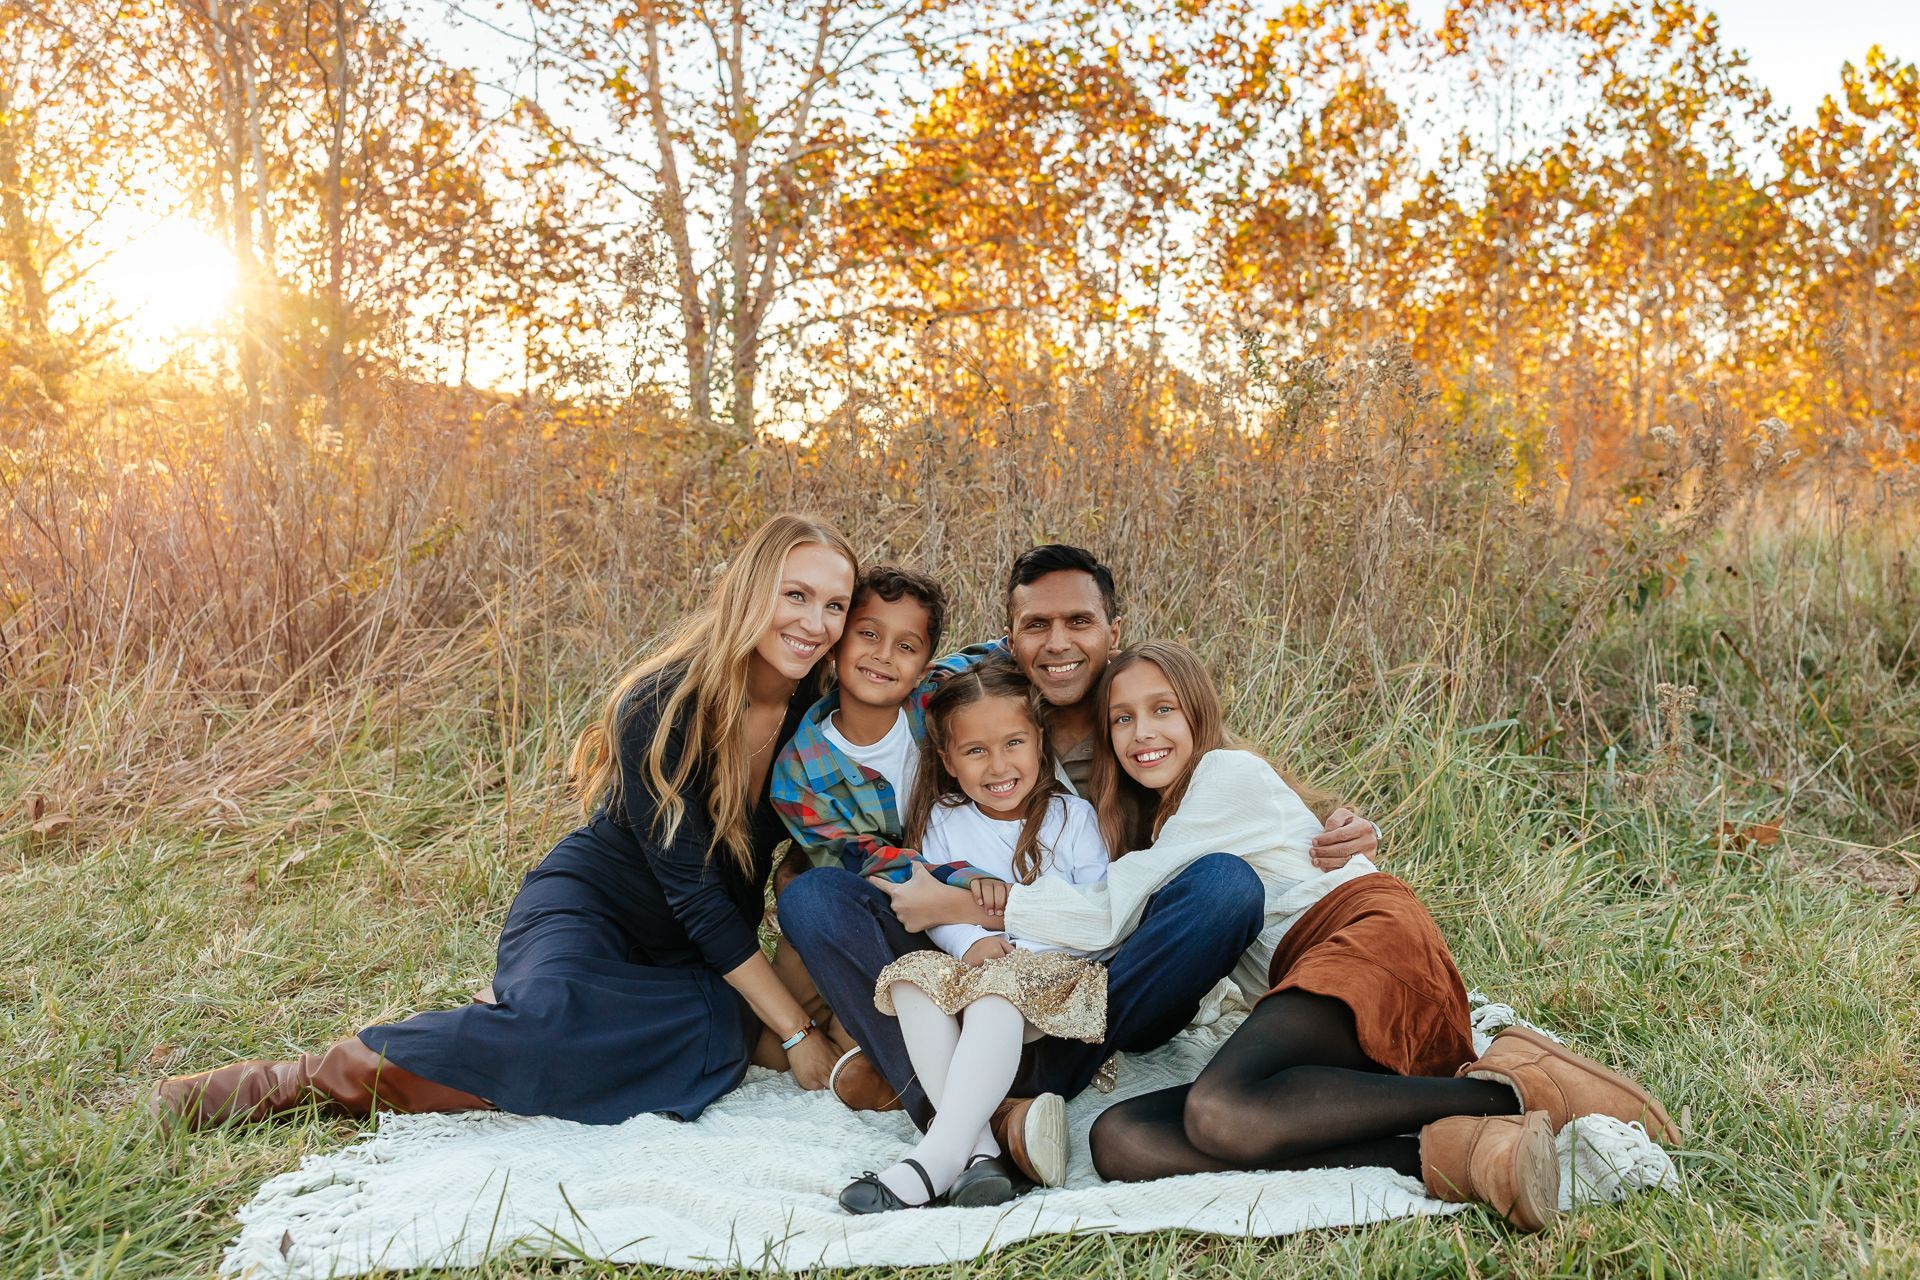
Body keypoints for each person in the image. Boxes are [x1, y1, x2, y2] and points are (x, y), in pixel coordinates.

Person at [151, 513, 859, 1129]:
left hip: (698, 956)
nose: (814, 623)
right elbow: (694, 893)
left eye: (834, 605)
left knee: (715, 1035)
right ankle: (295, 1082)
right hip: (599, 908)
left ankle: (524, 1016)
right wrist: (796, 1033)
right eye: (794, 595)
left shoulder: (823, 721)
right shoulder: (662, 701)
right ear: (749, 592)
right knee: (560, 1024)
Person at [1011, 641, 1674, 1232]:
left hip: (1367, 942)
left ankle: (1513, 1090)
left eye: (1163, 709)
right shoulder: (1160, 825)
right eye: (1122, 718)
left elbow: (1105, 911)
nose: (1141, 732)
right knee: (1123, 1140)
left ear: (1199, 715)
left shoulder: (1223, 776)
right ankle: (1463, 1152)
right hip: (1312, 993)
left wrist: (980, 904)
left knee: (1218, 1110)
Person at [780, 545, 1326, 1182]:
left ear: (1111, 633)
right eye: (1036, 626)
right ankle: (981, 1125)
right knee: (813, 896)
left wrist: (1327, 815)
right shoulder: (945, 700)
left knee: (1225, 888)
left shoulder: (1137, 706)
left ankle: (983, 1092)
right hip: (963, 948)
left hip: (1095, 975)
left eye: (1079, 623)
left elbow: (1222, 765)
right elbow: (886, 857)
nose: (1058, 644)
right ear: (1008, 641)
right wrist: (965, 923)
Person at [840, 659, 1110, 1212]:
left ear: (1039, 742)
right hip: (975, 969)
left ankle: (935, 1158)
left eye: (1014, 743)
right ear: (947, 760)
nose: (998, 765)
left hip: (1057, 981)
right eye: (976, 751)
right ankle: (981, 1156)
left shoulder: (1072, 817)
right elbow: (933, 903)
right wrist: (969, 943)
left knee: (995, 990)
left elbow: (1097, 913)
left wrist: (1018, 948)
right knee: (911, 979)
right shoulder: (944, 817)